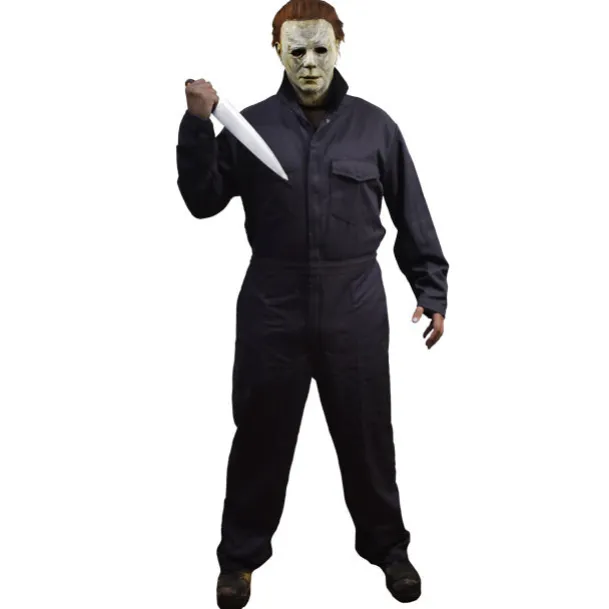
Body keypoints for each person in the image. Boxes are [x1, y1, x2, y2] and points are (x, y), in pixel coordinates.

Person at [176, 1, 449, 606]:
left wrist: (430, 290)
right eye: (296, 50)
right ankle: (239, 560)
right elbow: (202, 201)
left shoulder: (376, 128)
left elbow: (412, 213)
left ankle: (388, 548)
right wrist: (197, 126)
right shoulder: (248, 126)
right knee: (260, 436)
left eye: (320, 49)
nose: (308, 63)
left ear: (340, 46)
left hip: (355, 303)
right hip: (273, 305)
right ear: (276, 49)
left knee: (367, 434)